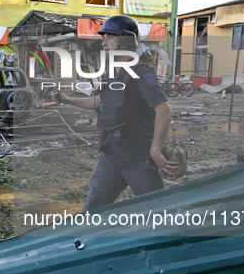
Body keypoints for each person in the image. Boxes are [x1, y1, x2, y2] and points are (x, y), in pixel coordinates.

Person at [53, 15, 178, 212]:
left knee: (157, 213)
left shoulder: (141, 72)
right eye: (104, 38)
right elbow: (101, 102)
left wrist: (155, 151)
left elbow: (164, 111)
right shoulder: (110, 72)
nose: (104, 43)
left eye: (110, 37)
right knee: (92, 212)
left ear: (126, 40)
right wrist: (69, 100)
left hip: (138, 157)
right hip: (111, 155)